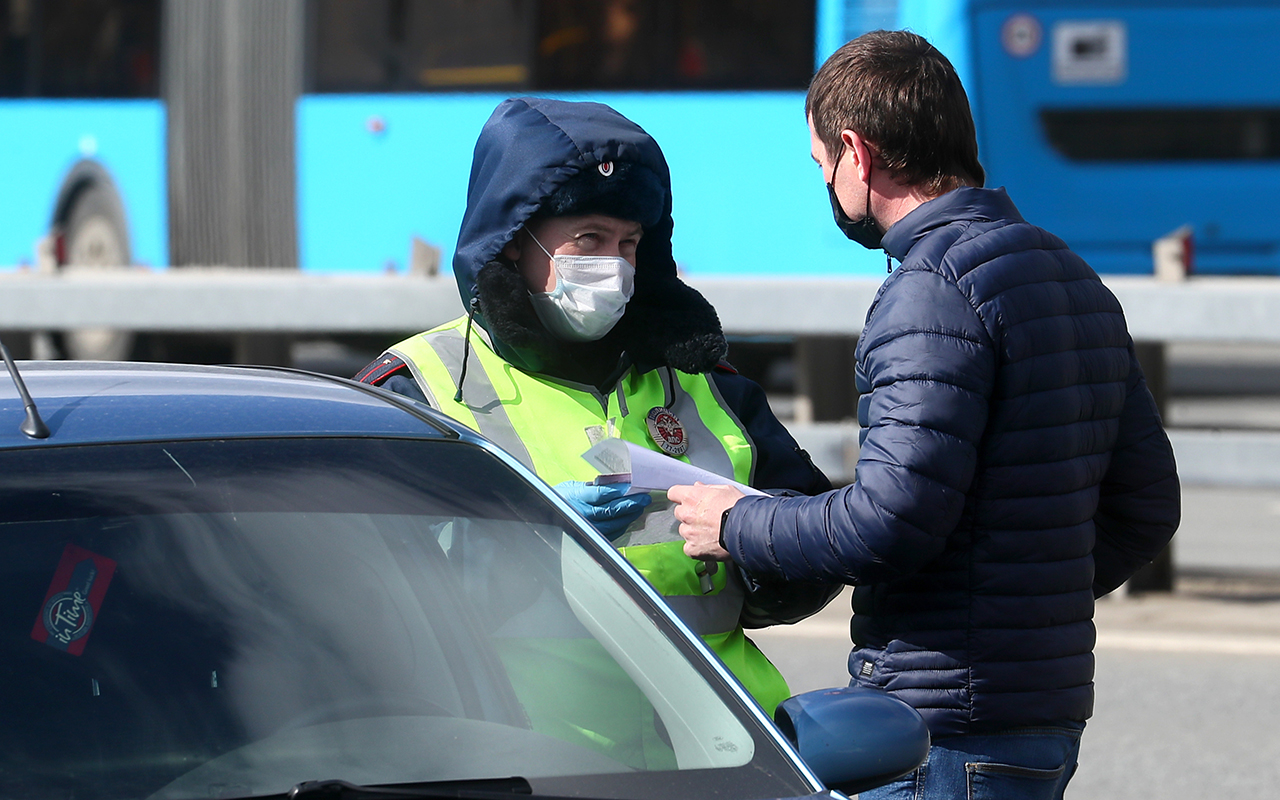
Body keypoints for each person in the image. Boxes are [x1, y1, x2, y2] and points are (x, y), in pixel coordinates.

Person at [670, 30, 1180, 799]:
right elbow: (1148, 506)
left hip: (943, 728)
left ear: (857, 152)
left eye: (821, 166)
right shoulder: (1068, 272)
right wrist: (1022, 604)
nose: (827, 184)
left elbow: (891, 519)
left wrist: (736, 522)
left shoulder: (929, 290)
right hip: (1042, 720)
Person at [355, 97, 836, 760]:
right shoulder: (421, 390)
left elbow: (816, 548)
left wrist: (750, 540)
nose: (614, 265)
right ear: (513, 241)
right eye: (589, 240)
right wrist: (529, 543)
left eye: (630, 244)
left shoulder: (708, 384)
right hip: (530, 766)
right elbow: (356, 595)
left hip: (730, 762)